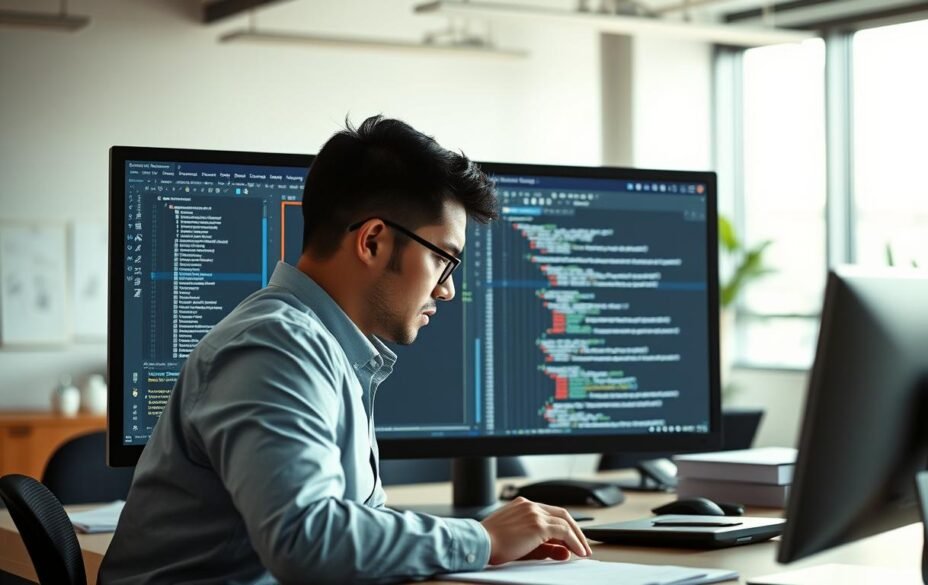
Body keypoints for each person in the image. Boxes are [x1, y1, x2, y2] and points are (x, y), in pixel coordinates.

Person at [100, 116, 592, 585]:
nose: (446, 290)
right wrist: (481, 539)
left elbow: (346, 526)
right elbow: (306, 540)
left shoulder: (327, 347)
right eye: (443, 260)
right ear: (374, 241)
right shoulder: (276, 345)